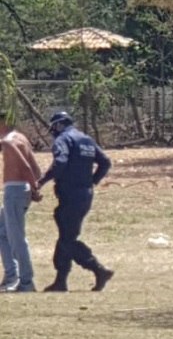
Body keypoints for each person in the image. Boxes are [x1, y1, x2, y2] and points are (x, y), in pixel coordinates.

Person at [37, 112, 114, 292]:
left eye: (54, 127)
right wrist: (92, 181)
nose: (53, 131)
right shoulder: (86, 139)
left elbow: (60, 163)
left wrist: (41, 181)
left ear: (59, 125)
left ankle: (98, 269)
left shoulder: (64, 140)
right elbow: (105, 162)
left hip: (70, 195)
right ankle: (60, 281)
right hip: (85, 194)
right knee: (66, 237)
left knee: (68, 240)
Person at [0, 112, 42, 292]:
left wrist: (34, 188)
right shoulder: (22, 138)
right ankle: (12, 276)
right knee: (2, 232)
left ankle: (26, 282)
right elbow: (36, 168)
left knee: (17, 238)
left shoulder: (7, 142)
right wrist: (33, 186)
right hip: (21, 190)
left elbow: (25, 166)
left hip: (14, 191)